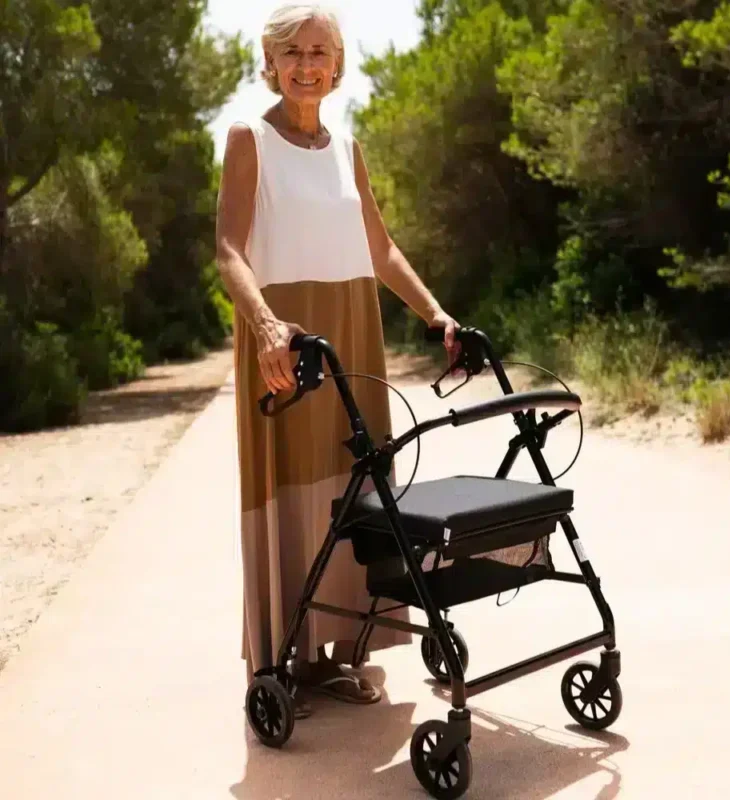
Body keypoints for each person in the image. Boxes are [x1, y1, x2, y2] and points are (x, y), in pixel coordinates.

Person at [215, 3, 460, 719]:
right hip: (286, 336)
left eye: (319, 51)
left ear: (337, 64)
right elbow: (228, 250)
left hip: (354, 329)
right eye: (292, 52)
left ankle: (336, 652)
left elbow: (380, 250)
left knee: (358, 480)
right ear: (271, 63)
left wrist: (437, 315)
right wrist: (265, 326)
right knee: (290, 485)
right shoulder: (249, 138)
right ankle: (286, 656)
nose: (306, 64)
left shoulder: (348, 148)